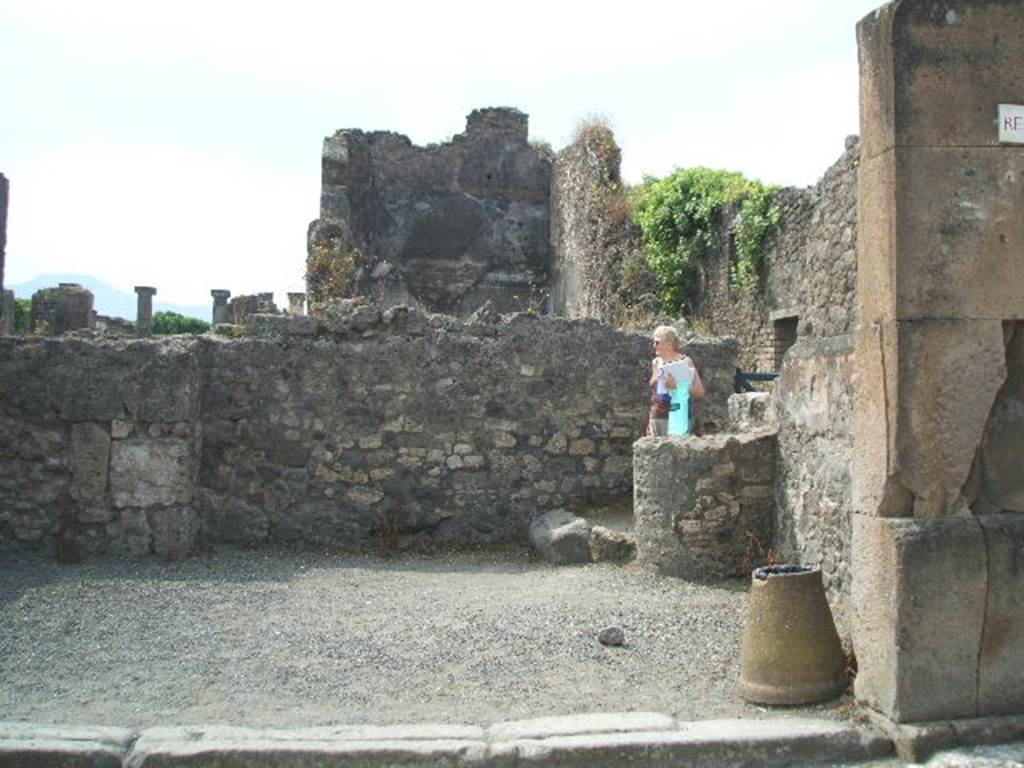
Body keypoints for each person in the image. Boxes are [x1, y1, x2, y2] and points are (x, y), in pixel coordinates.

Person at [647, 325, 705, 437]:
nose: (654, 346)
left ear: (669, 344)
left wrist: (677, 386)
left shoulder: (686, 362)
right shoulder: (656, 363)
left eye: (657, 342)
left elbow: (699, 391)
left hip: (678, 416)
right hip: (658, 417)